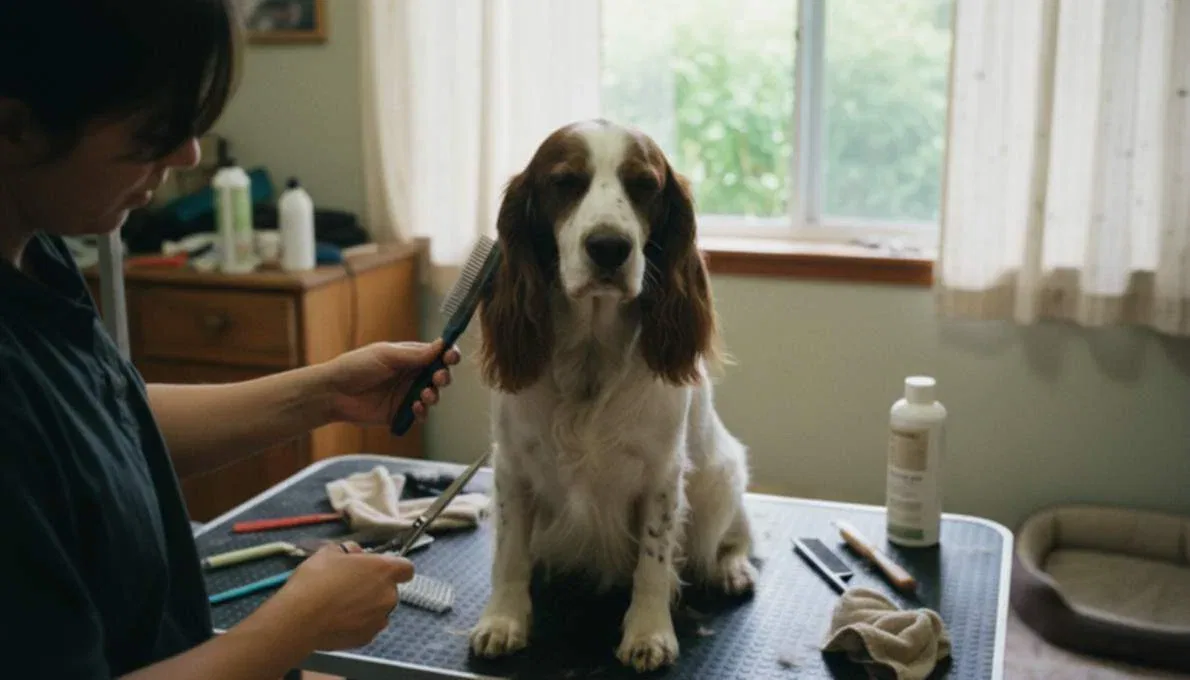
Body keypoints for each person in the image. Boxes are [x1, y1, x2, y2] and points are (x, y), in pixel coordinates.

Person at [0, 0, 463, 677]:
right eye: (155, 128)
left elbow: (98, 428)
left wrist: (325, 392)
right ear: (13, 126)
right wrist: (297, 624)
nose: (188, 152)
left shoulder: (37, 252)